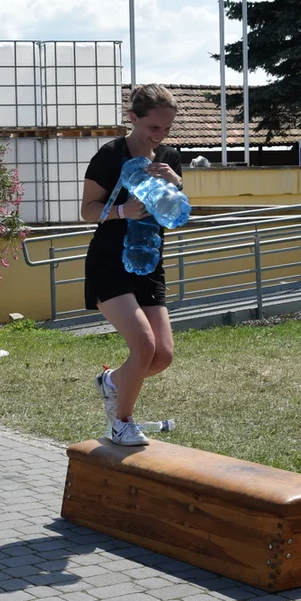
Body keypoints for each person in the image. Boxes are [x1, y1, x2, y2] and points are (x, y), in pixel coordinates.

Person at [80, 83, 183, 446]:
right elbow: (87, 210)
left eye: (167, 129)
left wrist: (177, 184)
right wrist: (123, 210)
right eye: (154, 128)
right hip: (109, 262)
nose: (160, 136)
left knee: (162, 355)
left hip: (149, 262)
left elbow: (173, 214)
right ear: (133, 118)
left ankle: (109, 382)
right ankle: (122, 422)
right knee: (143, 346)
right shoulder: (110, 155)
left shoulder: (168, 157)